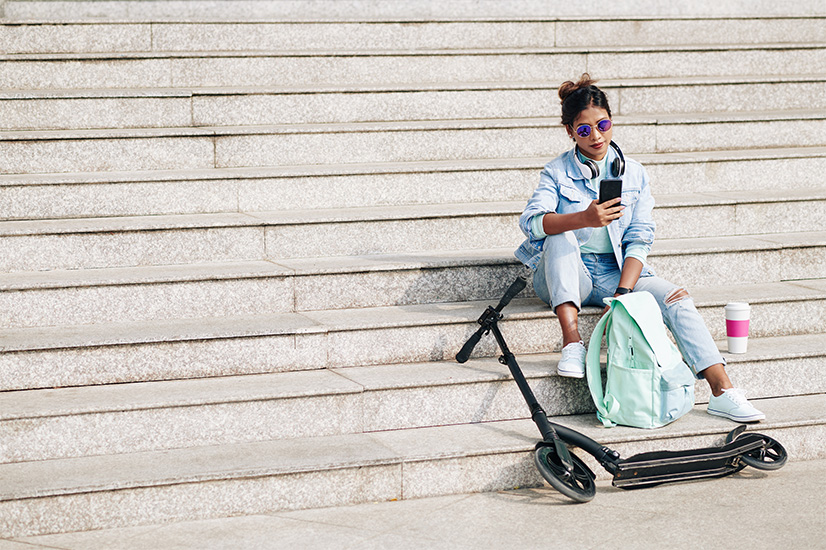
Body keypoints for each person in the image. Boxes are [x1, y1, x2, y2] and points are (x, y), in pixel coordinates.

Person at [514, 74, 764, 423]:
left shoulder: (634, 173)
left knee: (676, 297)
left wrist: (622, 295)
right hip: (568, 273)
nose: (596, 136)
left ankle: (722, 391)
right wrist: (583, 218)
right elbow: (531, 222)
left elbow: (640, 236)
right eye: (584, 130)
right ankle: (572, 341)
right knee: (560, 234)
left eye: (602, 124)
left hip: (618, 272)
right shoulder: (556, 171)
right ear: (570, 131)